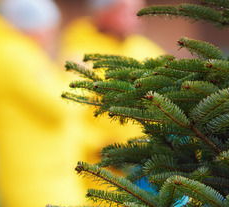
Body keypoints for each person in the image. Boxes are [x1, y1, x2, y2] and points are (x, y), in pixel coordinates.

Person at [0, 0, 89, 207]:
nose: (51, 38)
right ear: (35, 28)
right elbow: (62, 104)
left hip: (45, 189)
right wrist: (80, 74)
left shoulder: (11, 53)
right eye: (50, 29)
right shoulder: (12, 56)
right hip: (40, 194)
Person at [60, 0, 165, 172]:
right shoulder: (79, 54)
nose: (137, 17)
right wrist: (101, 146)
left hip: (154, 163)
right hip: (101, 171)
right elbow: (67, 110)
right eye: (126, 11)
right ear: (102, 13)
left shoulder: (146, 50)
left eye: (139, 9)